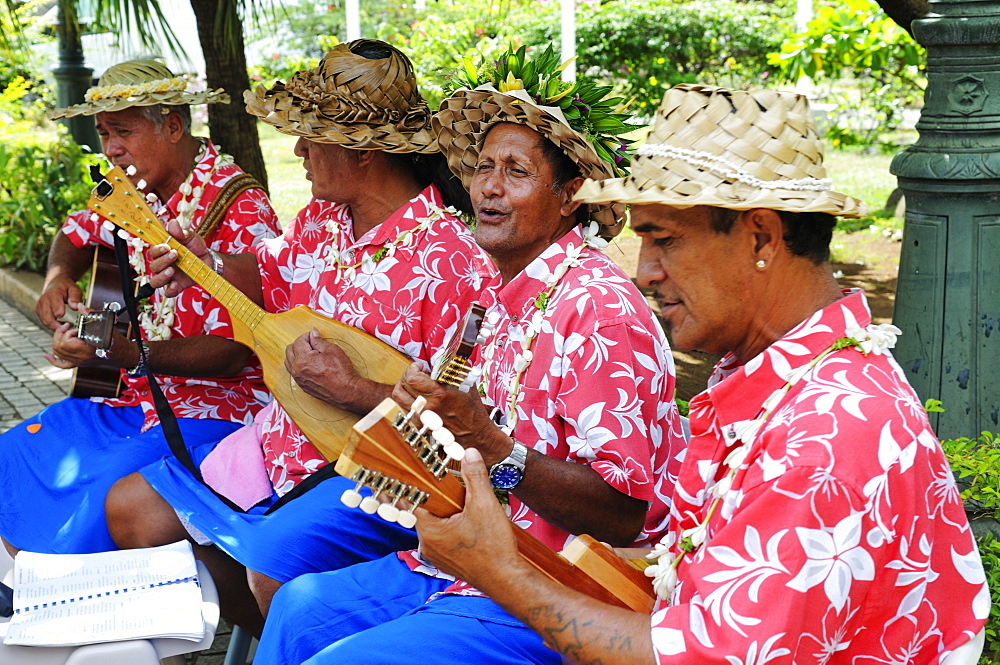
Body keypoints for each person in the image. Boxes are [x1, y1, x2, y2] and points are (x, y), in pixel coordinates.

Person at [412, 84, 991, 664]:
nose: (645, 272)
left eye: (664, 241)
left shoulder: (826, 434)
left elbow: (696, 656)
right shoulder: (776, 379)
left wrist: (496, 569)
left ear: (761, 237)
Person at [250, 44, 688, 665]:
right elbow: (465, 439)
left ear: (570, 198)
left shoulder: (598, 307)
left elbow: (626, 511)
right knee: (298, 608)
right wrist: (424, 424)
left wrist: (495, 448)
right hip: (467, 560)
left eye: (517, 171)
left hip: (553, 586)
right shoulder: (505, 295)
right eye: (483, 167)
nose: (489, 188)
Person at [104, 40, 495, 634]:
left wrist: (352, 388)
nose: (299, 151)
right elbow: (264, 276)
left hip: (367, 474)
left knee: (270, 570)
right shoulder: (321, 219)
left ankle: (299, 635)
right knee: (130, 510)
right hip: (281, 440)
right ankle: (274, 637)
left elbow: (456, 426)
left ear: (360, 152)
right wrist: (200, 260)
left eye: (311, 137)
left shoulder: (452, 262)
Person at [0, 59, 280, 559]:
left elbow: (236, 352)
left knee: (102, 487)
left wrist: (130, 353)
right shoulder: (127, 193)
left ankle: (73, 610)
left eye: (123, 131)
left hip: (219, 411)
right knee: (16, 450)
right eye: (104, 133)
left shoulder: (239, 205)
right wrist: (58, 277)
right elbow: (74, 232)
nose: (110, 148)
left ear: (173, 126)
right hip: (132, 399)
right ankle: (22, 591)